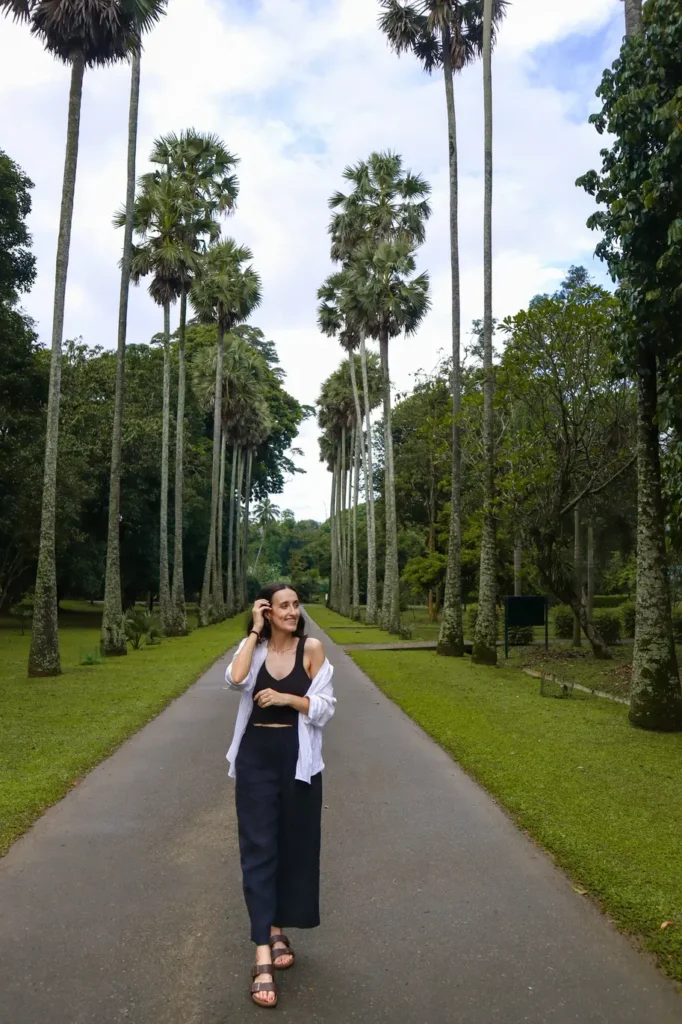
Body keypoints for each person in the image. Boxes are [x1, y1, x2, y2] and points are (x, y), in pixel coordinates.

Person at [225, 583, 336, 1009]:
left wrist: (289, 697)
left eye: (295, 605)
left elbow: (326, 707)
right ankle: (261, 956)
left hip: (298, 764)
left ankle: (276, 929)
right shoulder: (251, 649)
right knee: (257, 849)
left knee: (293, 848)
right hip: (255, 762)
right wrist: (254, 632)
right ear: (267, 611)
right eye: (283, 606)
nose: (292, 611)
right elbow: (234, 680)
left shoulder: (312, 649)